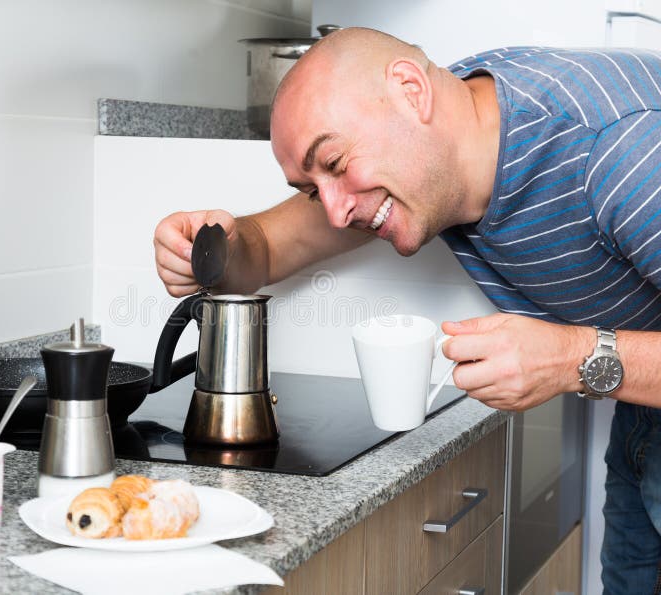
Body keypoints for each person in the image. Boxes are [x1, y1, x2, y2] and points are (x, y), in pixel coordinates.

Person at [153, 27, 661, 592]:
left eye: (336, 162)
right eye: (312, 188)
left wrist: (573, 358)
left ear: (411, 90)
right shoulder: (445, 129)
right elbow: (268, 247)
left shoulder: (624, 152)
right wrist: (213, 248)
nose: (336, 212)